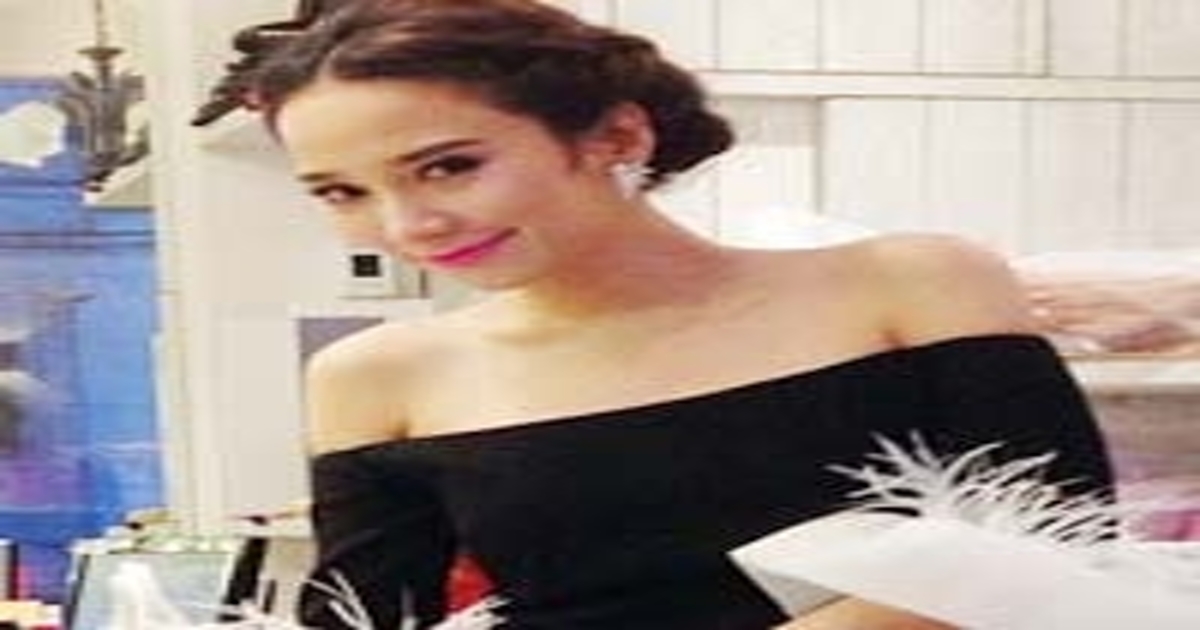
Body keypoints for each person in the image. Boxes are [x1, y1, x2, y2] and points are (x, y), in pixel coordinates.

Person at [247, 0, 1115, 628]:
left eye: (448, 166)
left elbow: (1047, 534)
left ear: (618, 138)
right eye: (341, 192)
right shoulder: (377, 376)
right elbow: (366, 618)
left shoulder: (910, 283)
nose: (408, 225)